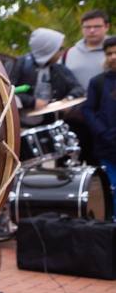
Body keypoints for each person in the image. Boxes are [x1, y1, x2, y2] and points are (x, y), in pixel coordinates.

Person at [8, 26, 85, 128]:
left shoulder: (58, 69)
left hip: (51, 122)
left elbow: (78, 88)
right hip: (22, 124)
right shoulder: (18, 64)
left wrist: (68, 99)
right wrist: (32, 102)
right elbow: (7, 91)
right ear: (48, 50)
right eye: (60, 49)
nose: (62, 52)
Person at [63, 11, 109, 162]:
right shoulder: (68, 54)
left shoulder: (112, 51)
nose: (92, 30)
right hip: (77, 119)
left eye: (97, 26)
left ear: (106, 27)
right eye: (87, 27)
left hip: (108, 120)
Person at [81, 35, 116, 187]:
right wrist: (103, 132)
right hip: (106, 146)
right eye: (109, 54)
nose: (113, 57)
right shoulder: (97, 82)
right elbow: (88, 110)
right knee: (111, 187)